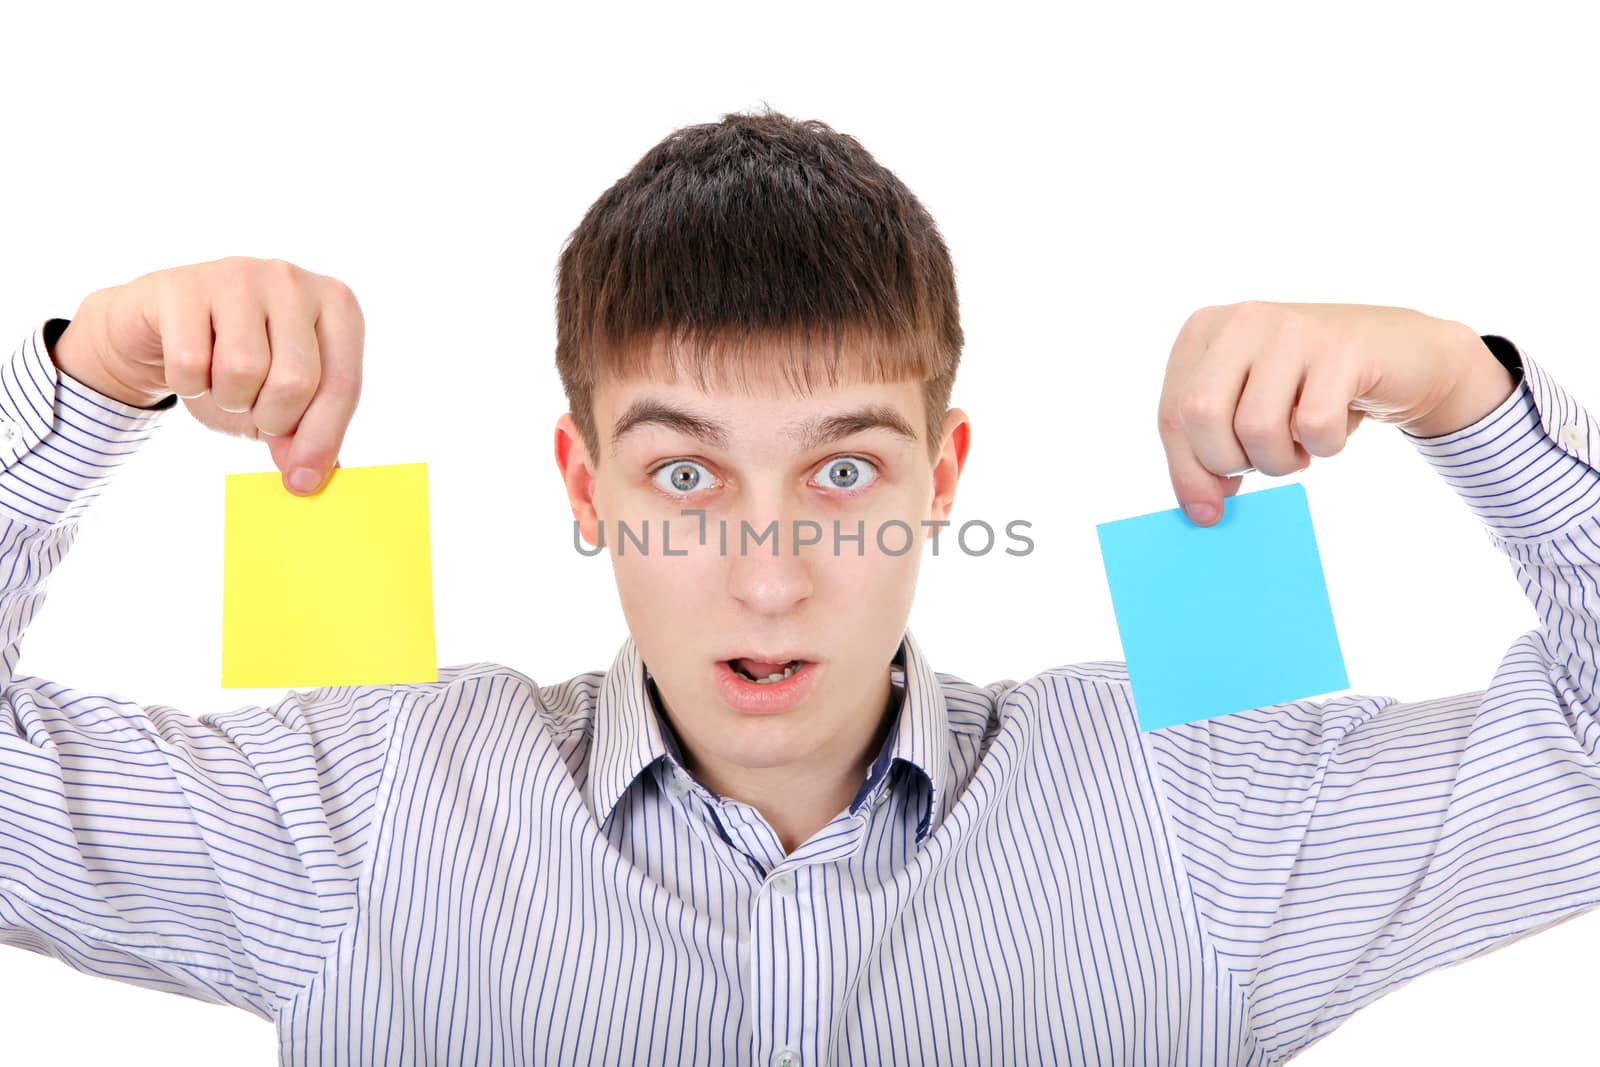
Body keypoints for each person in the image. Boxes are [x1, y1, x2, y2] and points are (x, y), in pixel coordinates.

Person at [0, 107, 1592, 1067]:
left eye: (842, 473)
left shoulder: (1185, 809)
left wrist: (1463, 391)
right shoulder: (372, 808)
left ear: (942, 478)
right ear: (586, 489)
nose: (769, 577)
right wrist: (86, 389)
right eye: (685, 476)